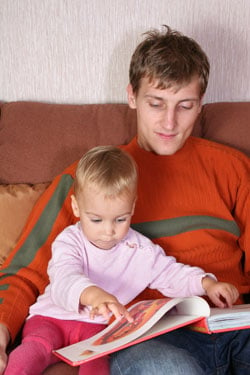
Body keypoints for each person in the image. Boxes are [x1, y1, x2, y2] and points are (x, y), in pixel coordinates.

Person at [0, 24, 249, 375]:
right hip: (150, 337)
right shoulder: (89, 180)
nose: (169, 122)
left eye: (185, 106)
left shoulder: (234, 169)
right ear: (132, 96)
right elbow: (25, 273)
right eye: (156, 104)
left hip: (233, 324)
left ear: (201, 105)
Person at [3, 145, 238, 375]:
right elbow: (65, 276)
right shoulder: (69, 241)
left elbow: (170, 273)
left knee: (97, 366)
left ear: (132, 207)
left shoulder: (140, 249)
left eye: (120, 219)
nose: (108, 231)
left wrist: (207, 283)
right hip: (52, 318)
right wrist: (93, 295)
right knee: (35, 349)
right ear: (76, 207)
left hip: (97, 330)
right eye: (96, 220)